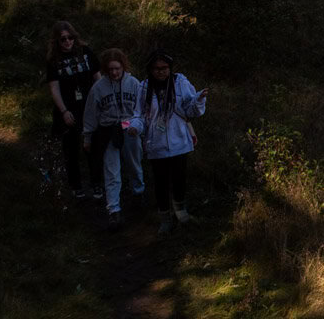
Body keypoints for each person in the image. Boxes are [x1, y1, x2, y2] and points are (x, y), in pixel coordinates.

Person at [138, 50, 208, 235]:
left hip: (178, 140)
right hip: (156, 143)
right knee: (160, 181)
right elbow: (138, 114)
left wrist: (199, 99)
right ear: (150, 70)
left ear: (170, 68)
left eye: (164, 68)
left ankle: (181, 213)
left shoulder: (180, 83)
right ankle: (165, 218)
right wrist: (135, 128)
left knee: (179, 178)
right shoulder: (144, 87)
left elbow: (190, 109)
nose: (160, 72)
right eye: (156, 68)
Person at [81, 48, 143, 226]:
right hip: (107, 130)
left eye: (117, 68)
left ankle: (138, 193)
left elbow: (141, 111)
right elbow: (91, 114)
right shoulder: (98, 88)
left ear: (123, 66)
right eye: (110, 70)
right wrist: (87, 137)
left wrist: (140, 129)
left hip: (129, 129)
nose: (114, 72)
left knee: (134, 163)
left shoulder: (134, 84)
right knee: (111, 170)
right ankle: (114, 210)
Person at [45, 21, 100, 200]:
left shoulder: (86, 52)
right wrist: (64, 111)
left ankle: (97, 183)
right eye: (63, 39)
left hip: (89, 107)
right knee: (71, 148)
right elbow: (54, 88)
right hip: (68, 109)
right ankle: (76, 186)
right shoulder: (54, 61)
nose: (67, 42)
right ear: (57, 42)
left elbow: (97, 78)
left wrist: (101, 103)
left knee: (92, 145)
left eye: (70, 38)